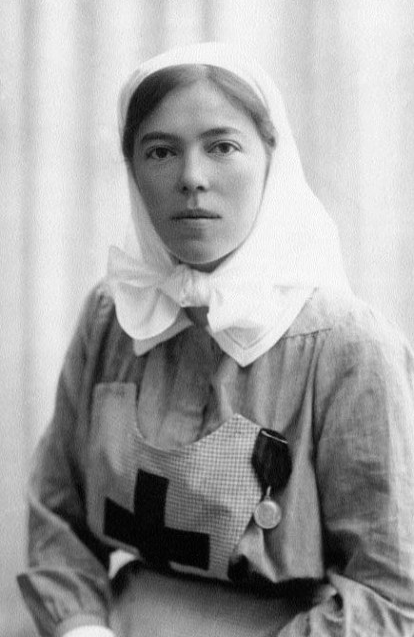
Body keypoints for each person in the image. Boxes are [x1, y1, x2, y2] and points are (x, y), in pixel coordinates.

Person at [18, 42, 414, 637]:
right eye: (160, 152)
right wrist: (82, 629)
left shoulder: (347, 347)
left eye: (222, 147)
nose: (191, 179)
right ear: (131, 169)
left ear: (271, 158)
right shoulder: (111, 315)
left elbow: (391, 593)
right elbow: (57, 517)